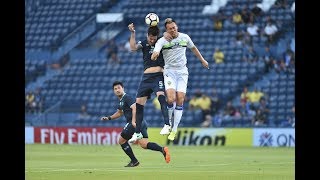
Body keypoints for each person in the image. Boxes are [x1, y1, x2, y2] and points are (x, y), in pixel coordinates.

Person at [151, 18, 209, 141]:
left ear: (177, 27)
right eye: (170, 29)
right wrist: (155, 54)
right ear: (166, 30)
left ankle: (175, 129)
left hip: (182, 72)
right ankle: (168, 124)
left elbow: (193, 48)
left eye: (174, 27)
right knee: (171, 98)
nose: (173, 30)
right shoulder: (163, 40)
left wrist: (202, 60)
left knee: (180, 100)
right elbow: (156, 50)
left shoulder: (185, 37)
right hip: (170, 72)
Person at [100, 81, 170, 167]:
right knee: (144, 144)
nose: (117, 90)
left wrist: (133, 121)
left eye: (119, 88)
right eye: (115, 89)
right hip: (142, 122)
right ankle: (162, 149)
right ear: (114, 91)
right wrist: (109, 118)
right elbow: (119, 113)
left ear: (123, 88)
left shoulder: (127, 97)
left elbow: (135, 108)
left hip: (134, 123)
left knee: (121, 141)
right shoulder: (122, 101)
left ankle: (134, 161)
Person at [127, 23, 171, 143]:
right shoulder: (144, 43)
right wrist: (132, 33)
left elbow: (171, 38)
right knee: (139, 104)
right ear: (147, 36)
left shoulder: (162, 42)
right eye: (150, 38)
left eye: (154, 38)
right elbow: (132, 48)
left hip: (158, 76)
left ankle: (167, 124)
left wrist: (167, 34)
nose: (152, 40)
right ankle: (137, 133)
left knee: (161, 97)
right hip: (146, 77)